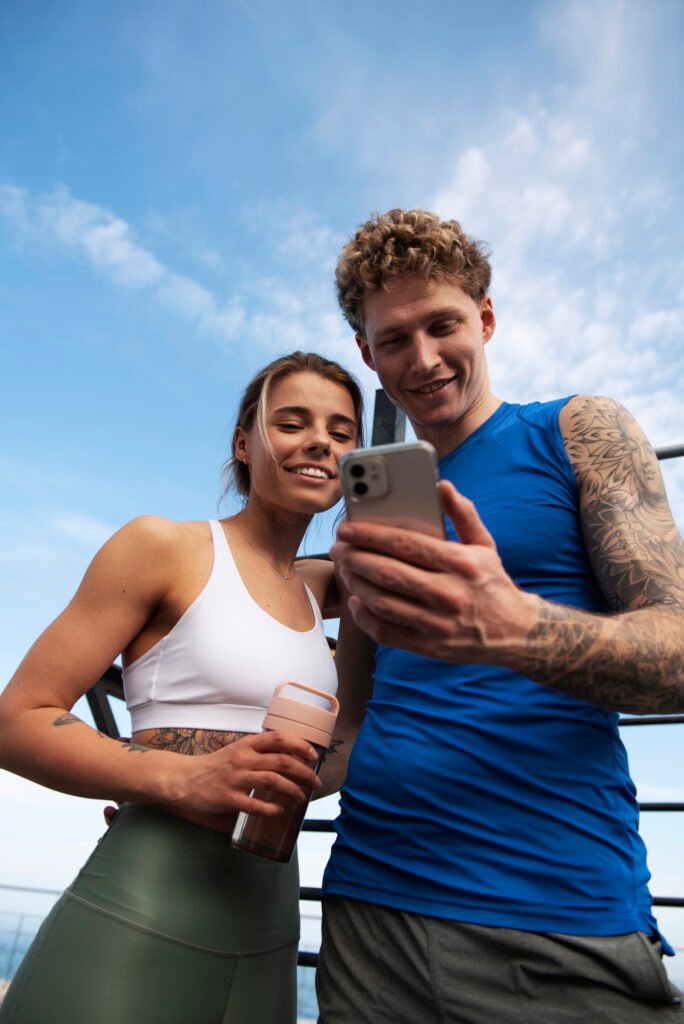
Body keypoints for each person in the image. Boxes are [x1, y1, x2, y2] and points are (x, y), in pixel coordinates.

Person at [318, 208, 684, 1023]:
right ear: (367, 355)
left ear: (484, 317)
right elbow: (349, 725)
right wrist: (206, 785)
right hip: (369, 917)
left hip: (556, 919)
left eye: (442, 324)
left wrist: (512, 627)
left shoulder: (575, 430)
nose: (423, 359)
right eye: (393, 340)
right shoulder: (364, 519)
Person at [0, 350, 365, 1024]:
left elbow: (335, 755)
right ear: (244, 444)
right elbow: (16, 720)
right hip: (145, 906)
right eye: (293, 422)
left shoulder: (324, 595)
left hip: (272, 925)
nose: (320, 440)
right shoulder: (163, 548)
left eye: (343, 433)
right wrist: (183, 779)